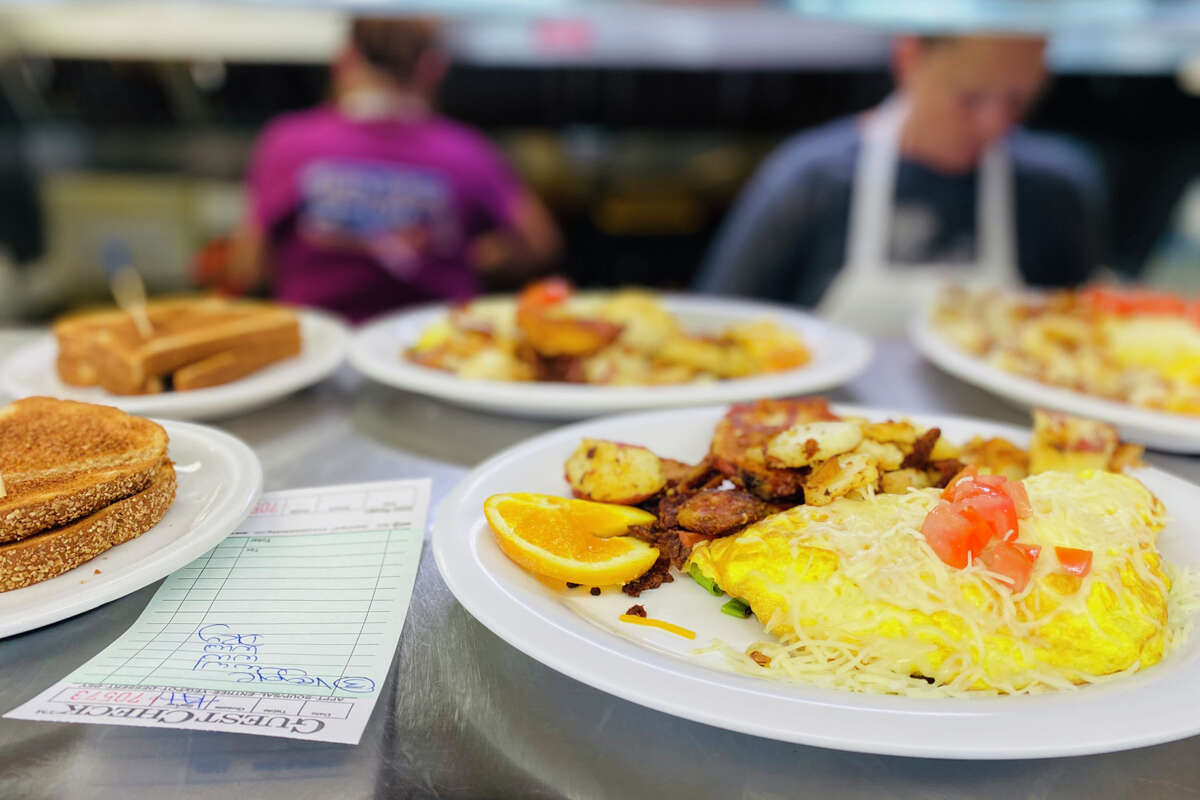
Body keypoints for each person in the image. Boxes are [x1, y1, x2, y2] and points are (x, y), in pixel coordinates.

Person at [695, 35, 1104, 335]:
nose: (993, 124)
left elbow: (1077, 337)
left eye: (1017, 101)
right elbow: (717, 328)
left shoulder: (1055, 190)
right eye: (970, 98)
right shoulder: (811, 178)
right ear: (908, 57)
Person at [230, 18, 560, 322]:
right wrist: (465, 255)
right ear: (432, 68)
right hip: (434, 348)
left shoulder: (287, 142)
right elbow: (540, 244)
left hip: (318, 348)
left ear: (344, 60)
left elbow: (247, 267)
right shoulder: (467, 149)